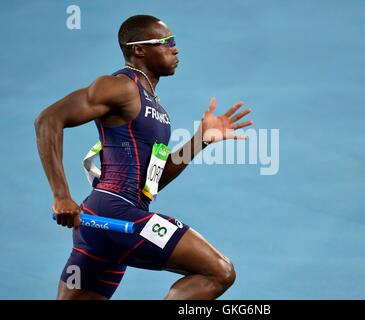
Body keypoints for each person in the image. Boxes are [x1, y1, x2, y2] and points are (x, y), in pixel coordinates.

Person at [34, 14, 253, 300]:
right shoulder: (119, 87)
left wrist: (200, 140)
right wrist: (61, 194)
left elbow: (153, 181)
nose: (175, 49)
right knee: (220, 272)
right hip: (114, 213)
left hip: (108, 224)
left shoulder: (155, 107)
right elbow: (49, 119)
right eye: (167, 42)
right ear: (139, 49)